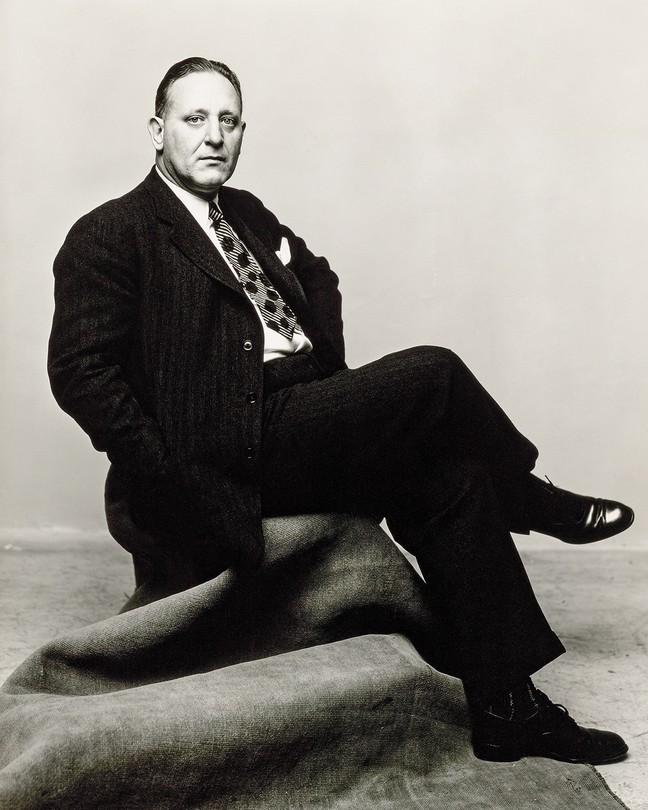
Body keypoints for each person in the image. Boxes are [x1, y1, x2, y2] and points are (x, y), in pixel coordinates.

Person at [48, 57, 635, 767]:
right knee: (434, 373)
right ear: (157, 129)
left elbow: (316, 270)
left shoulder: (249, 214)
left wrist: (316, 343)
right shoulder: (113, 232)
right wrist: (168, 471)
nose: (213, 136)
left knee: (451, 479)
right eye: (193, 118)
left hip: (304, 419)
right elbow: (81, 372)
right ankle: (531, 497)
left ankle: (506, 707)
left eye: (228, 121)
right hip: (230, 444)